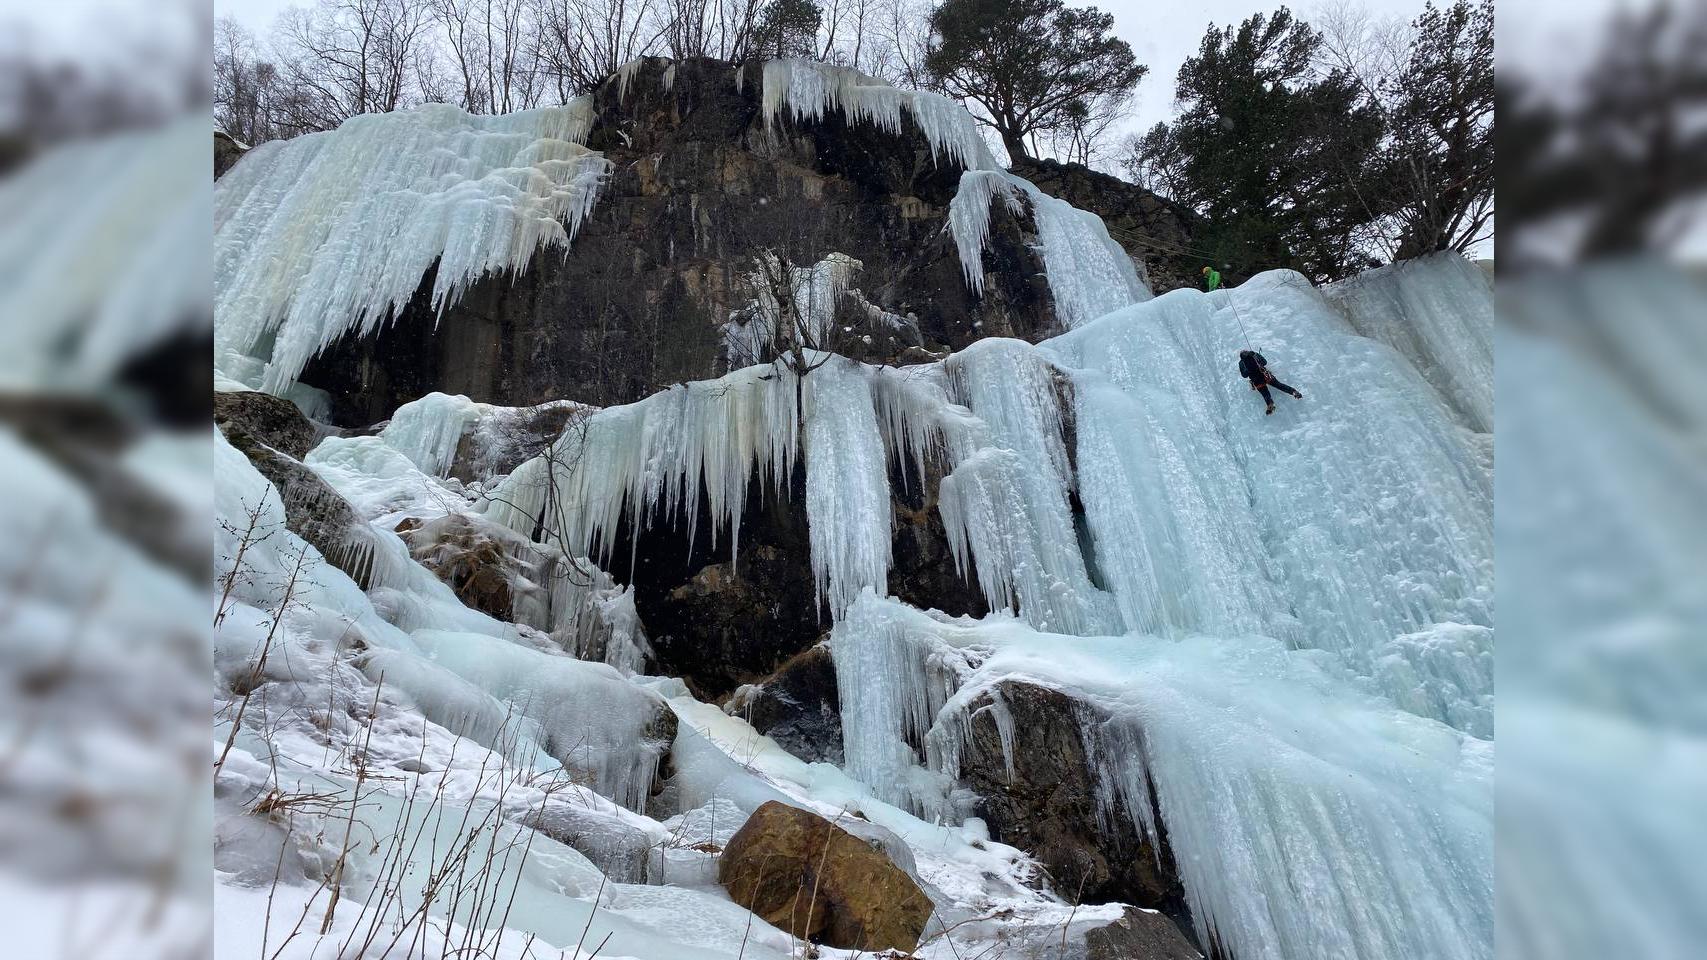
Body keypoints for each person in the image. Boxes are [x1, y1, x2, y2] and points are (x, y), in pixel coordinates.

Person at [1238, 349, 1304, 415]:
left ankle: (1270, 404)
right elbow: (1265, 362)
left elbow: (1244, 375)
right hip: (1265, 375)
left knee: (1265, 393)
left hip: (1256, 380)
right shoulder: (1254, 355)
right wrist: (1257, 362)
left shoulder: (1242, 362)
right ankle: (1294, 392)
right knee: (1278, 385)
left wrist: (1249, 369)